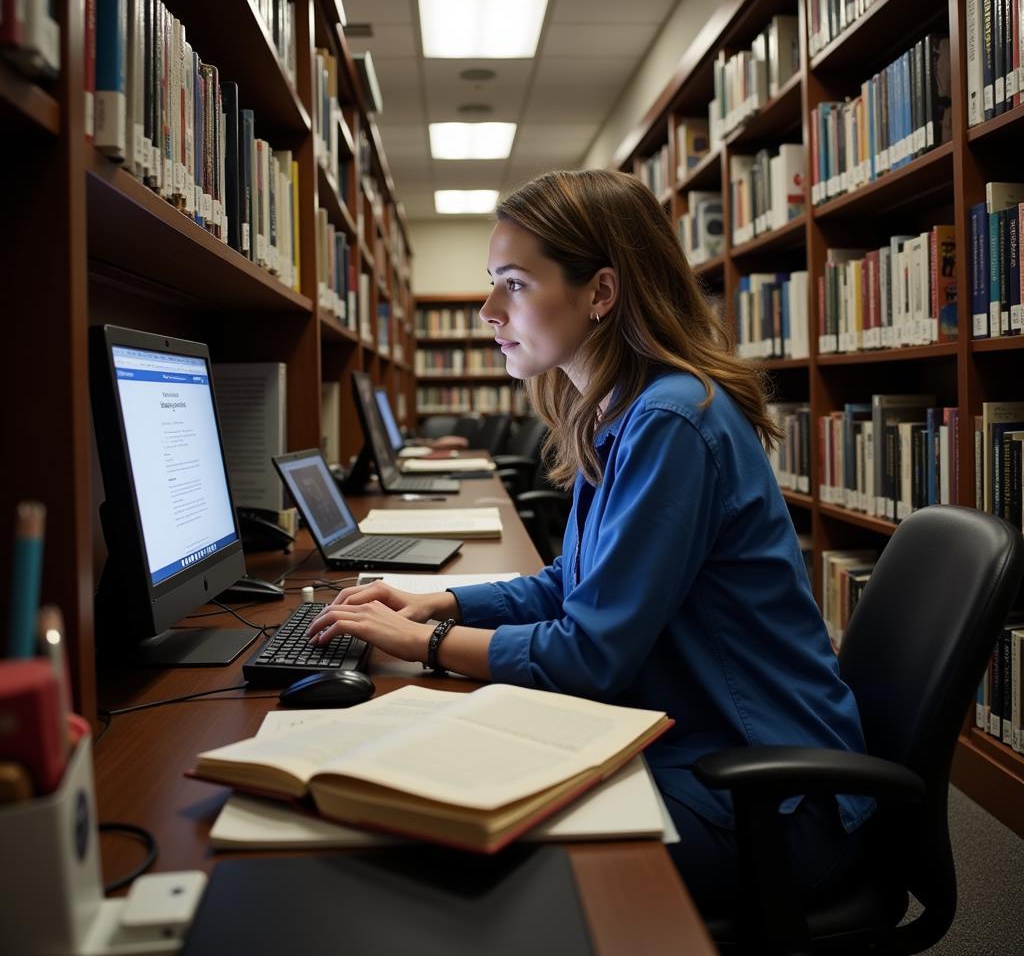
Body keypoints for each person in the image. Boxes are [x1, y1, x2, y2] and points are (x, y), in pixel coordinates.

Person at [307, 169, 873, 914]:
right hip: (686, 743)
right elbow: (569, 586)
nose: (486, 310)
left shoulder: (670, 420)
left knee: (457, 859)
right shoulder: (621, 411)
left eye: (512, 284)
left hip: (769, 797)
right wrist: (432, 600)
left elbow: (589, 654)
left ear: (601, 293)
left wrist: (430, 642)